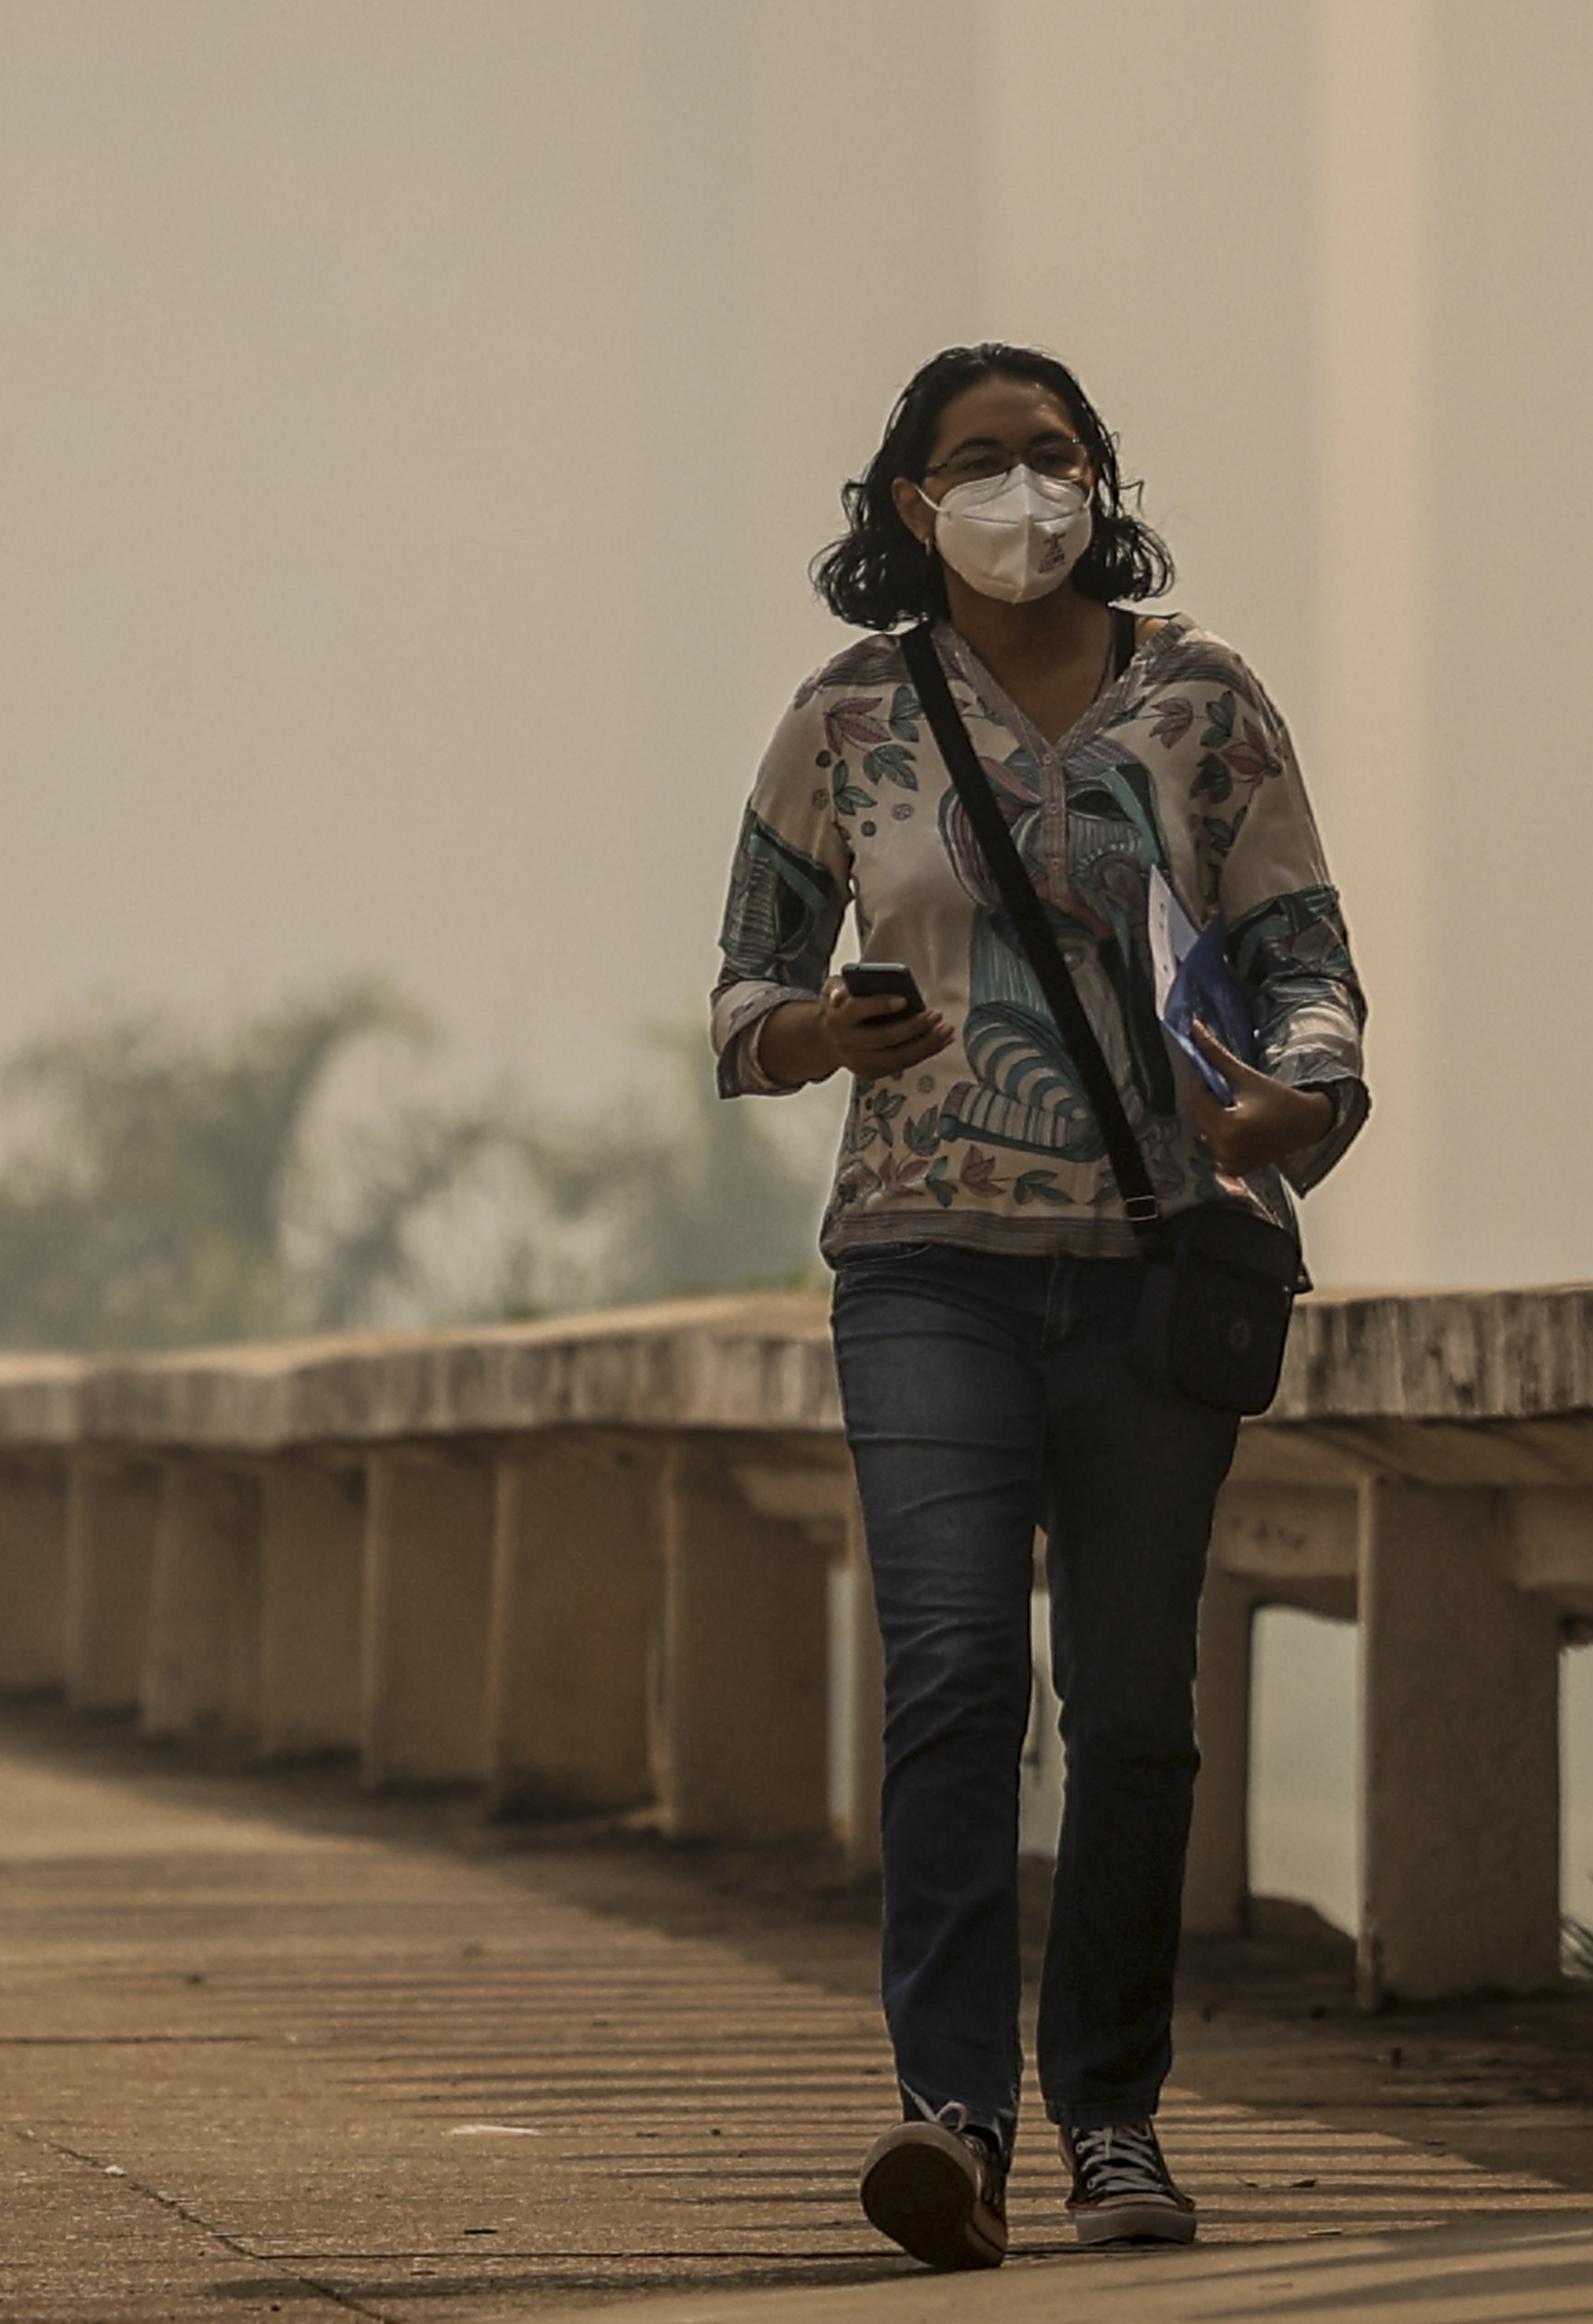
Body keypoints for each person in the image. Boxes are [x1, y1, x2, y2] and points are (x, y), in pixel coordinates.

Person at [708, 344, 1365, 2269]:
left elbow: (1306, 958)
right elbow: (741, 992)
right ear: (908, 506)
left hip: (1157, 1274)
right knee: (954, 1684)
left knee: (1139, 1715)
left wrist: (1293, 1093)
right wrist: (823, 1027)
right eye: (976, 462)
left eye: (1050, 454)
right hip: (926, 1264)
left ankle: (1114, 2121)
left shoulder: (1206, 703)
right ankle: (954, 2118)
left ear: (1102, 480)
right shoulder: (844, 719)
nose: (1020, 488)